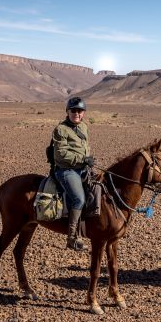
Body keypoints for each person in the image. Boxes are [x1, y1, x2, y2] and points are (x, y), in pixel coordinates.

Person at [52, 97, 94, 251]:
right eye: (73, 110)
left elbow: (84, 146)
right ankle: (71, 237)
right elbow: (61, 154)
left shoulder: (83, 127)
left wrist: (88, 160)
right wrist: (83, 159)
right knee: (79, 199)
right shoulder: (61, 129)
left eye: (80, 111)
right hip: (66, 170)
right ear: (67, 112)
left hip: (82, 168)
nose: (77, 113)